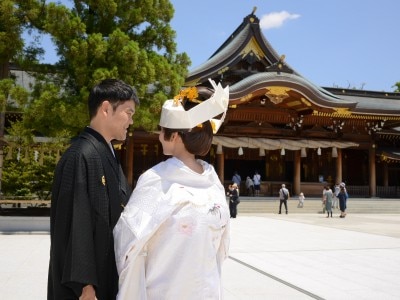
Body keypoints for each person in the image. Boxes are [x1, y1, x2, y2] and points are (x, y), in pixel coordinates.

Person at [113, 80, 230, 299]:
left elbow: (128, 240)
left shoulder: (157, 181)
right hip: (206, 289)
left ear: (174, 136)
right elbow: (222, 248)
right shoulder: (214, 184)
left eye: (162, 131)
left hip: (164, 290)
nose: (158, 136)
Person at [47, 79, 140, 300]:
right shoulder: (80, 155)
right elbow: (74, 225)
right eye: (129, 112)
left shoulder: (106, 152)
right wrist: (85, 286)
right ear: (106, 109)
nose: (132, 120)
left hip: (107, 275)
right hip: (87, 290)